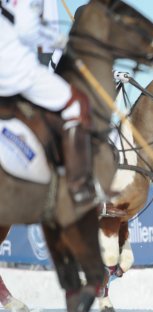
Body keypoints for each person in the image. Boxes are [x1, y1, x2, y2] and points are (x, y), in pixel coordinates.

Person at [0, 0, 96, 206]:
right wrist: (60, 41)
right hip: (14, 68)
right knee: (77, 104)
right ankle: (77, 189)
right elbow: (28, 27)